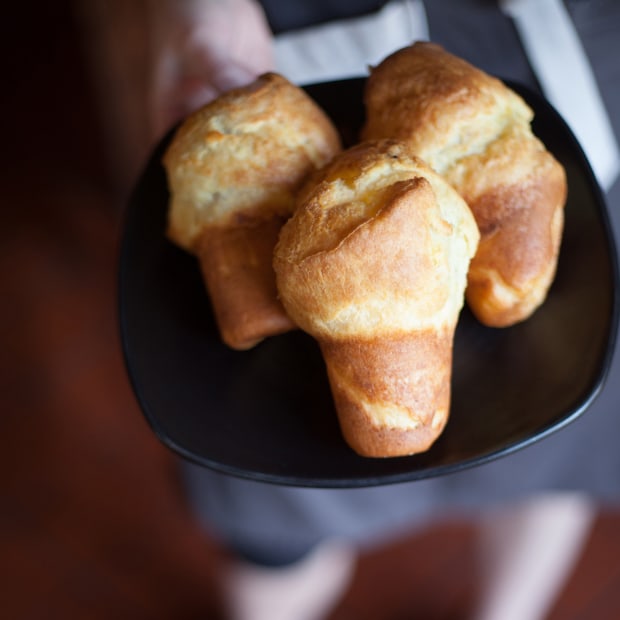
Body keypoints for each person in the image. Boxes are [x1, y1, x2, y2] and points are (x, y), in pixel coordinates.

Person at [145, 1, 620, 619]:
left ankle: (508, 611)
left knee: (561, 420)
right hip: (299, 49)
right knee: (275, 509)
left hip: (564, 58)